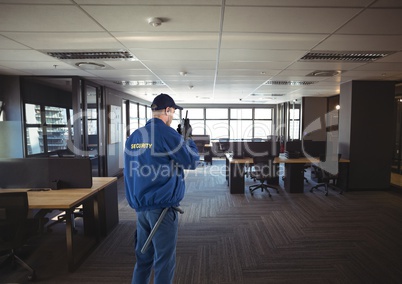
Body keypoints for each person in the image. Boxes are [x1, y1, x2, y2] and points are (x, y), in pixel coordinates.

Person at [124, 93, 200, 284]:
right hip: (163, 209)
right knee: (164, 261)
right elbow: (191, 161)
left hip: (141, 208)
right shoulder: (168, 134)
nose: (173, 116)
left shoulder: (135, 135)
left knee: (143, 259)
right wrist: (187, 138)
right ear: (167, 110)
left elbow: (130, 171)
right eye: (173, 112)